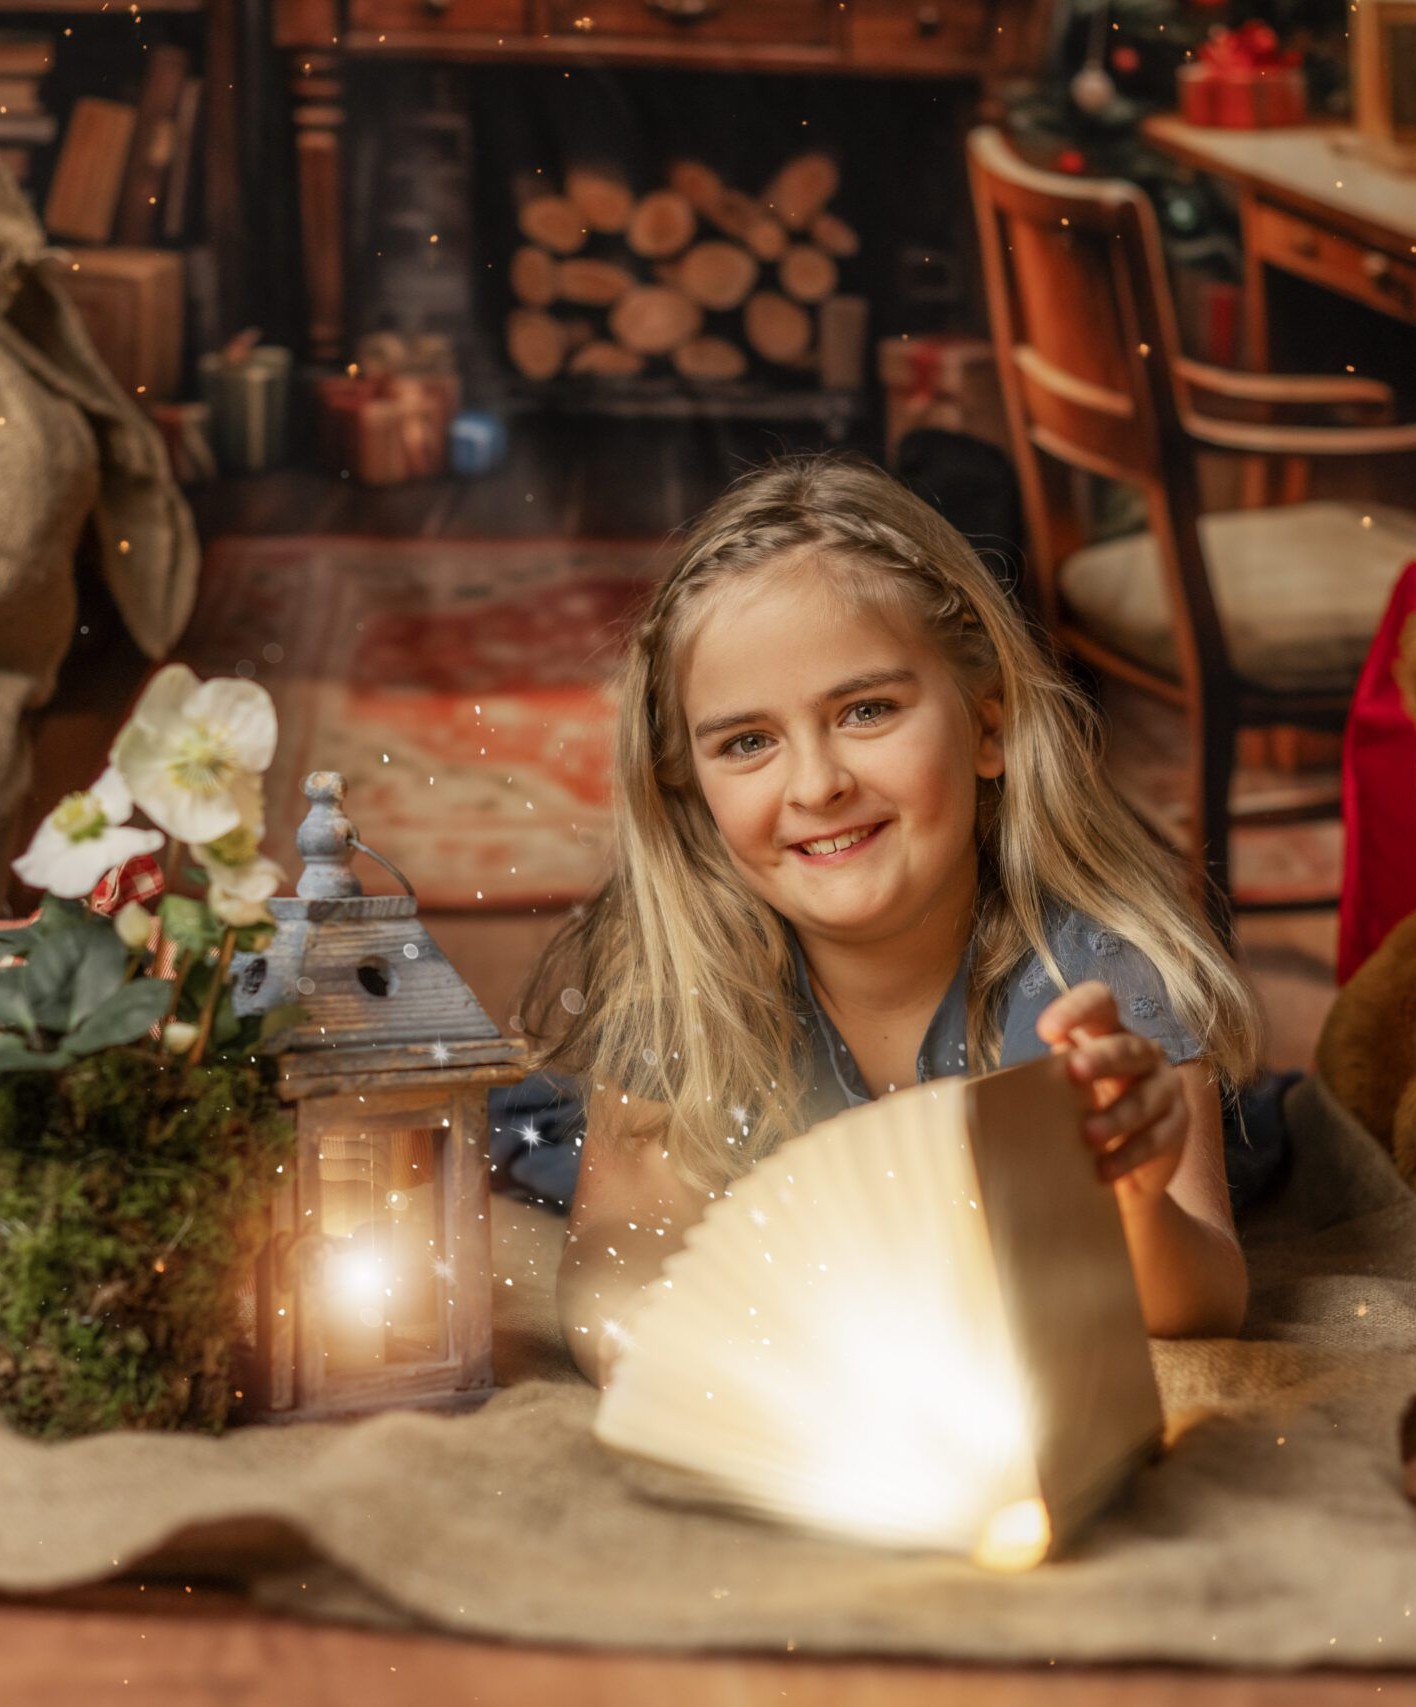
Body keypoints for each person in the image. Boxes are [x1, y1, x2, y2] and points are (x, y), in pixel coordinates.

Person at [518, 456, 1276, 1385]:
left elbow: (1205, 1300)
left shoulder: (1097, 979)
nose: (818, 784)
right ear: (689, 785)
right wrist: (688, 1364)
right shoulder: (681, 969)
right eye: (748, 742)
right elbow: (615, 1253)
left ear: (988, 725)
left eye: (867, 710)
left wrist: (1135, 1209)